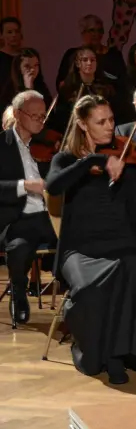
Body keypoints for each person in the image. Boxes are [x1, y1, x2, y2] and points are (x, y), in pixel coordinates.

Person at [45, 95, 136, 384]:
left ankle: (123, 354)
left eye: (111, 119)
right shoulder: (66, 159)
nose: (110, 126)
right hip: (80, 249)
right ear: (83, 124)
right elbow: (53, 186)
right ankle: (96, 353)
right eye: (101, 122)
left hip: (121, 241)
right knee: (92, 287)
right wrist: (95, 160)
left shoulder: (124, 158)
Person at [0, 90, 58, 324]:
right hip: (17, 219)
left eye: (43, 116)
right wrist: (25, 185)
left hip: (48, 216)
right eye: (34, 116)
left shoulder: (47, 147)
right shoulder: (2, 145)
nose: (40, 121)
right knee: (19, 247)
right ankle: (18, 290)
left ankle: (77, 292)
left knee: (76, 238)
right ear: (17, 114)